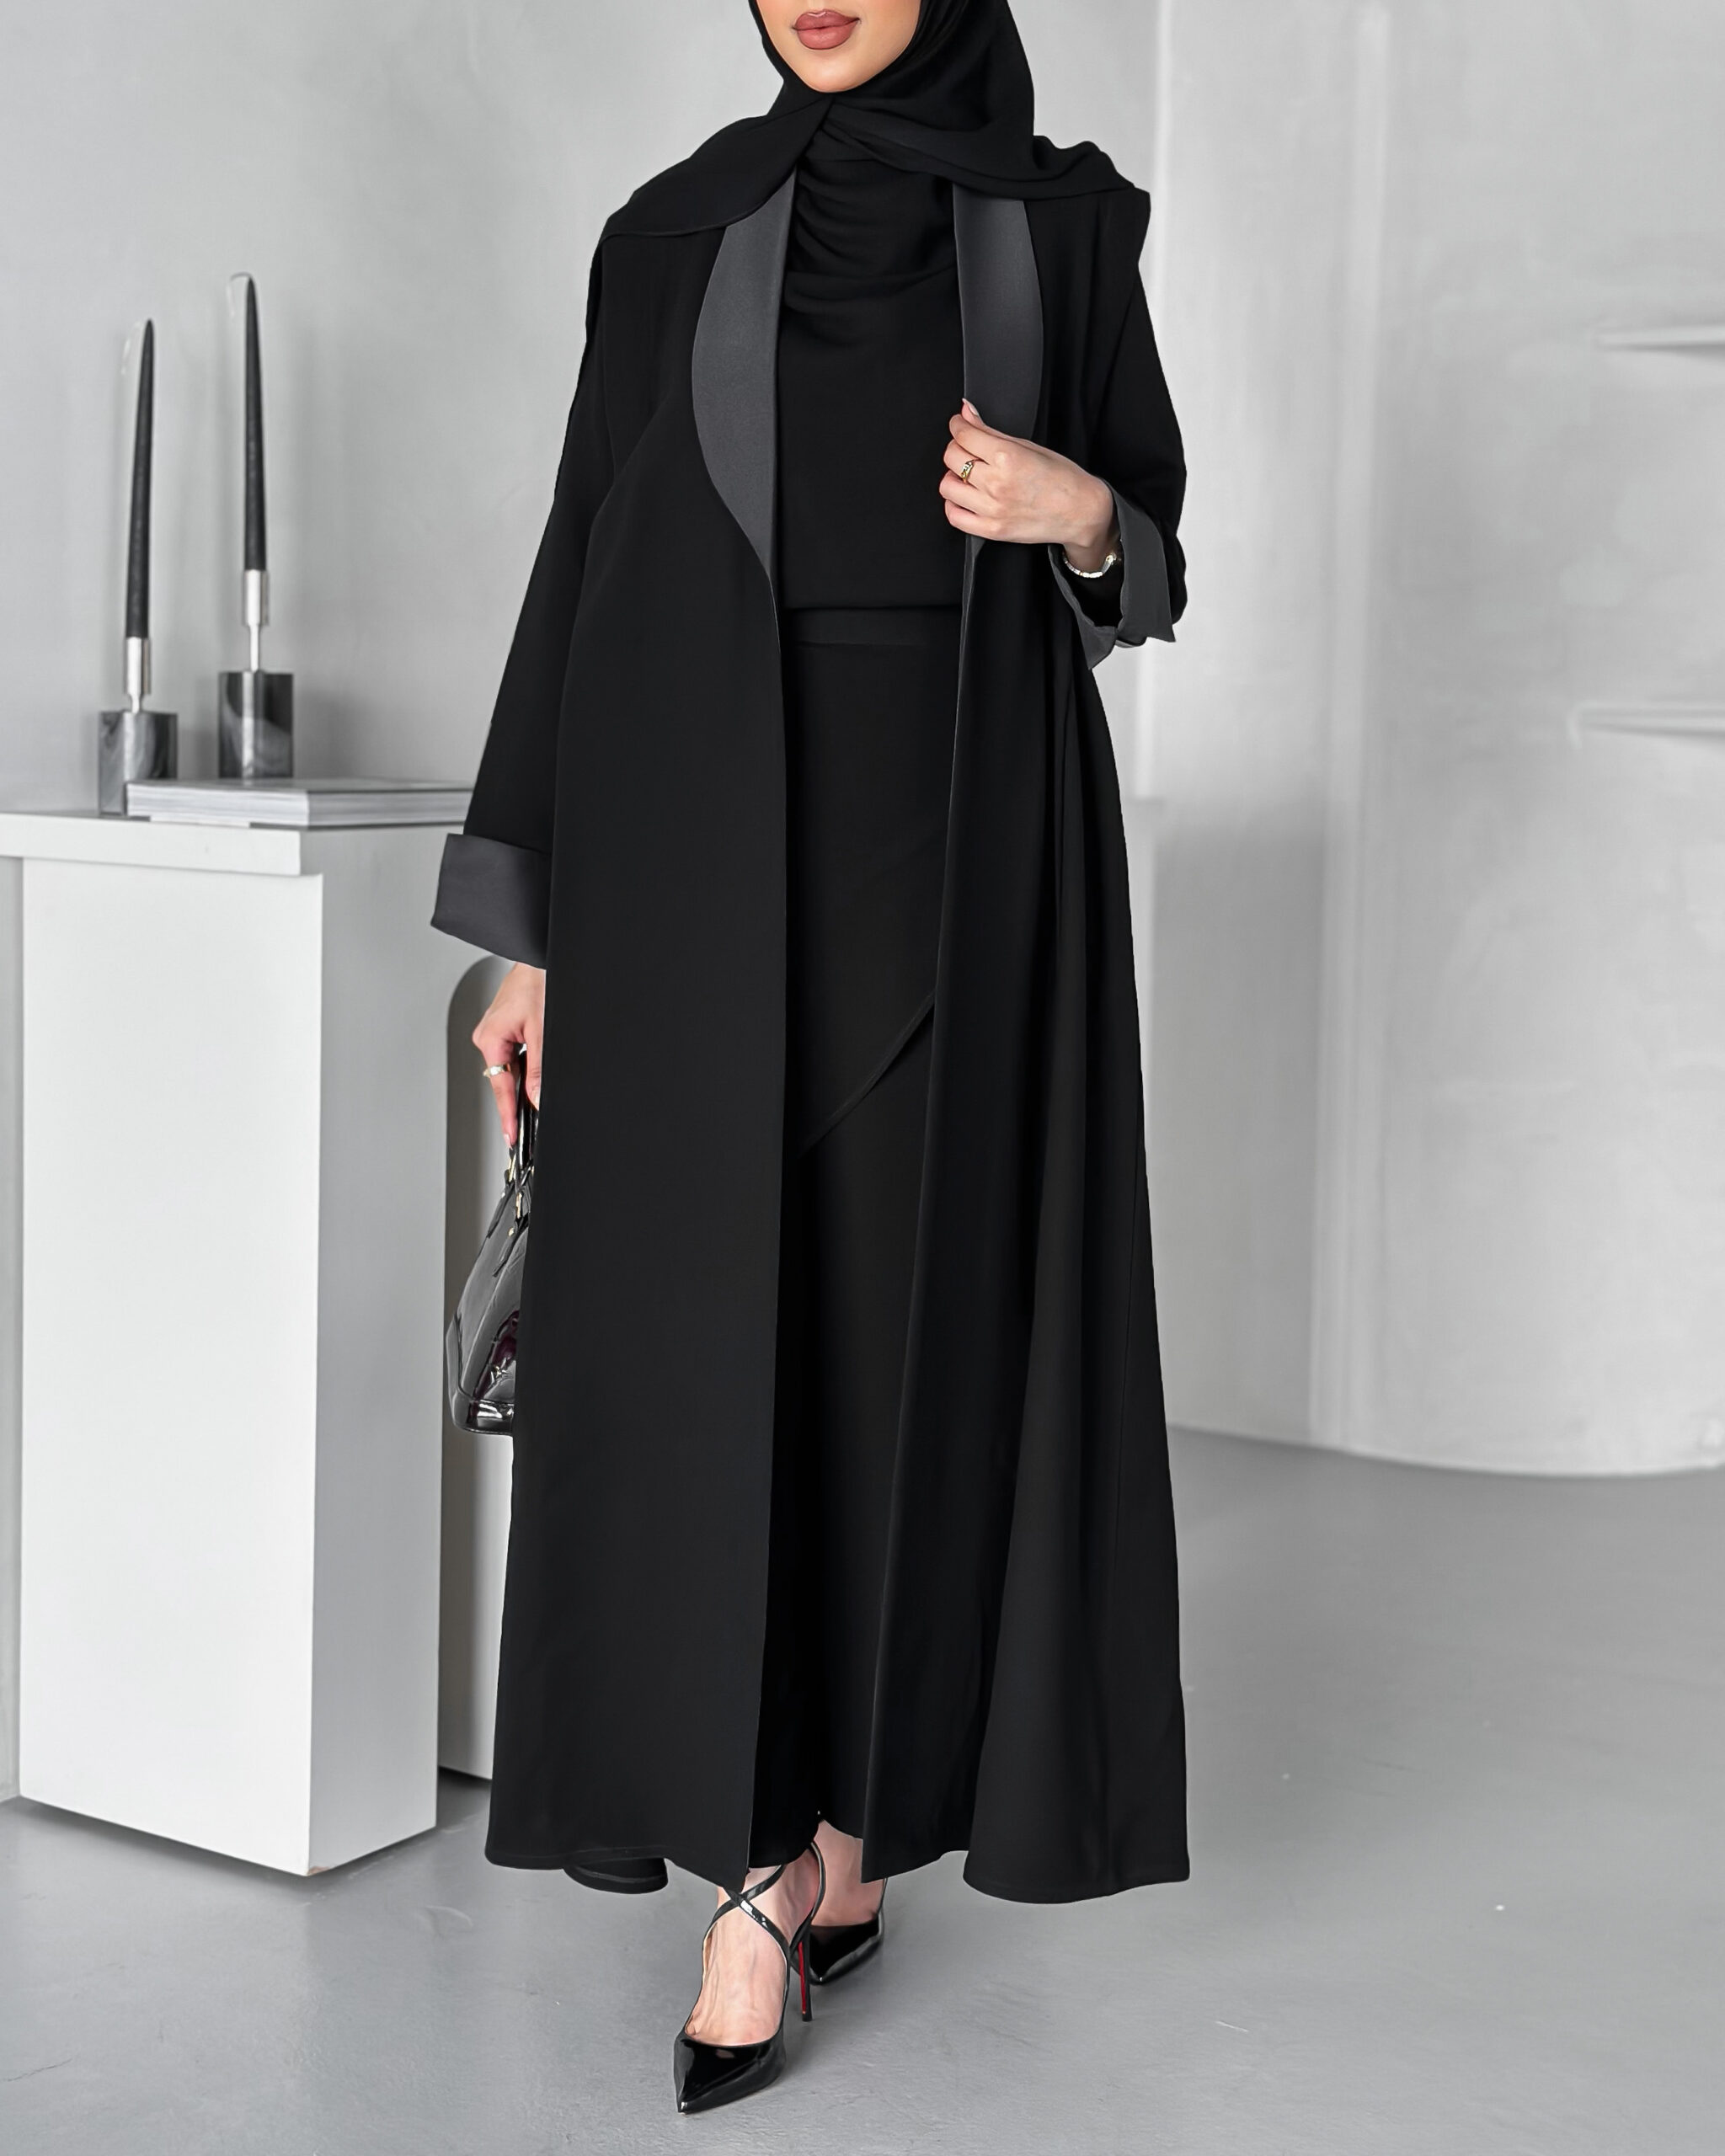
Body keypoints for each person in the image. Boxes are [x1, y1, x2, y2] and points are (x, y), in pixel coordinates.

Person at [432, 0, 1188, 2116]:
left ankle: (842, 1826)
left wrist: (1075, 508)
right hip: (693, 867)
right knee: (713, 1365)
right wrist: (531, 932)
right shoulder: (673, 229)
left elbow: (1146, 562)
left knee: (891, 1360)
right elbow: (580, 556)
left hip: (959, 871)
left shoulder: (1063, 225)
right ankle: (757, 1868)